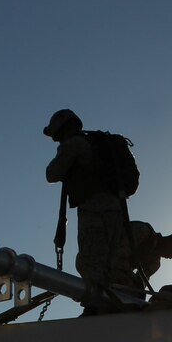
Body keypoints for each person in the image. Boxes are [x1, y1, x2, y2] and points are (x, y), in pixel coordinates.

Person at [43, 109, 136, 311]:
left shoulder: (74, 144)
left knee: (92, 261)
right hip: (116, 209)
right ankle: (114, 304)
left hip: (93, 209)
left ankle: (96, 307)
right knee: (111, 261)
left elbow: (52, 174)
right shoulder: (99, 144)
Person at [127, 220, 172, 294]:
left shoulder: (154, 264)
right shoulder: (143, 231)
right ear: (171, 243)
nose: (170, 257)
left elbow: (140, 282)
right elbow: (119, 251)